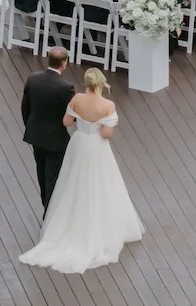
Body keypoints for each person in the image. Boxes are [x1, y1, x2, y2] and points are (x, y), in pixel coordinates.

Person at [19, 67, 143, 272]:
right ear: (101, 83)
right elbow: (107, 133)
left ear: (86, 82)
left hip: (78, 144)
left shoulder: (76, 98)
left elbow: (67, 121)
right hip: (96, 147)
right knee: (101, 182)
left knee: (72, 181)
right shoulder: (107, 105)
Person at [20, 47, 74, 212]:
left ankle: (45, 203)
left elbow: (25, 108)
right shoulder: (66, 87)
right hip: (56, 140)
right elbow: (72, 114)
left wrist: (31, 126)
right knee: (53, 176)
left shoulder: (33, 79)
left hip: (36, 136)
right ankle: (50, 211)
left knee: (42, 173)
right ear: (64, 63)